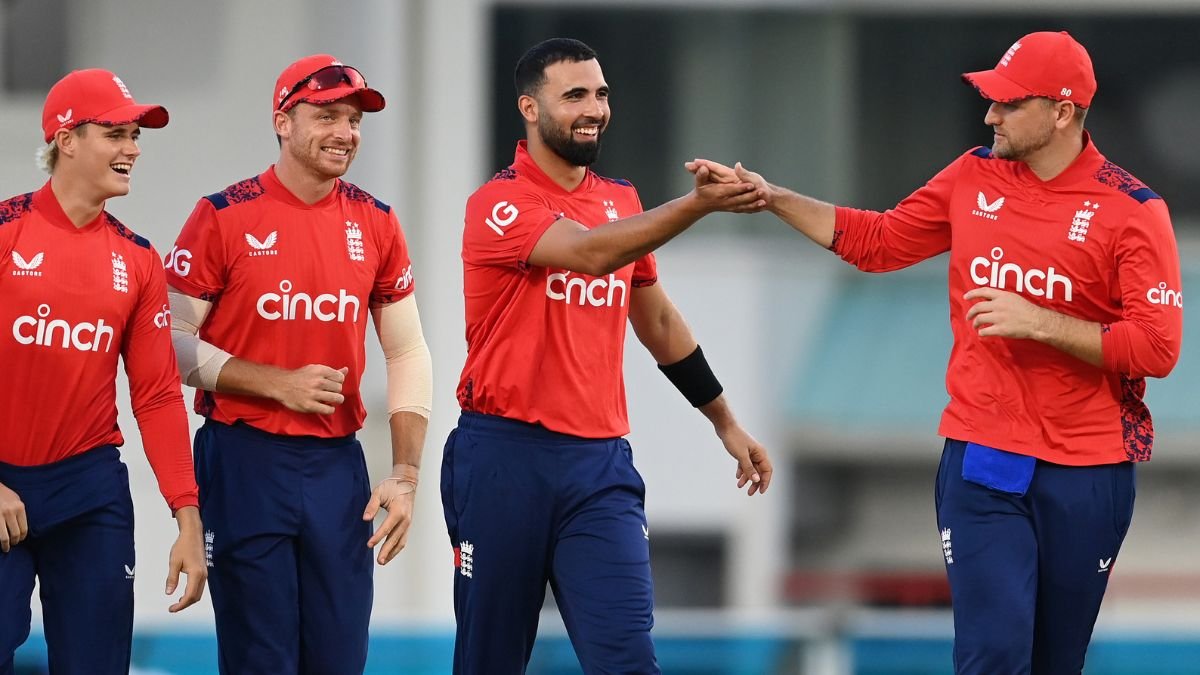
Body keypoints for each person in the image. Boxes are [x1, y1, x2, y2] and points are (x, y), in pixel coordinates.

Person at [693, 30, 1183, 675]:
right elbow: (878, 242)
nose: (990, 115)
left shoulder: (1133, 209)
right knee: (993, 653)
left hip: (1089, 469)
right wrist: (772, 197)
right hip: (985, 451)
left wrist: (1041, 322)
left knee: (1054, 661)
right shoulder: (972, 175)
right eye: (991, 100)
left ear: (1063, 111)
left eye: (1009, 103)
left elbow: (1157, 347)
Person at [443, 37, 774, 675]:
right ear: (530, 108)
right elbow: (590, 253)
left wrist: (725, 421)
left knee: (627, 660)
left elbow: (658, 320)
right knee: (490, 660)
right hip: (504, 458)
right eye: (574, 96)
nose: (594, 109)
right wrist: (697, 205)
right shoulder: (498, 202)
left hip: (599, 467)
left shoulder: (620, 200)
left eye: (600, 94)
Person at [162, 54, 432, 674]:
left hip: (338, 466)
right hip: (244, 459)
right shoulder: (222, 214)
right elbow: (168, 341)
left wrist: (406, 473)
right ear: (283, 122)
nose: (346, 132)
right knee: (260, 659)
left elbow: (407, 350)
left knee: (340, 657)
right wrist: (274, 383)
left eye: (354, 120)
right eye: (327, 116)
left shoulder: (377, 221)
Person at [0, 69, 207, 674]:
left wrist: (187, 516)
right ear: (66, 140)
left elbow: (158, 396)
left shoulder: (138, 258)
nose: (133, 149)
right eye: (116, 134)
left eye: (135, 135)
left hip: (88, 490)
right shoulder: (7, 231)